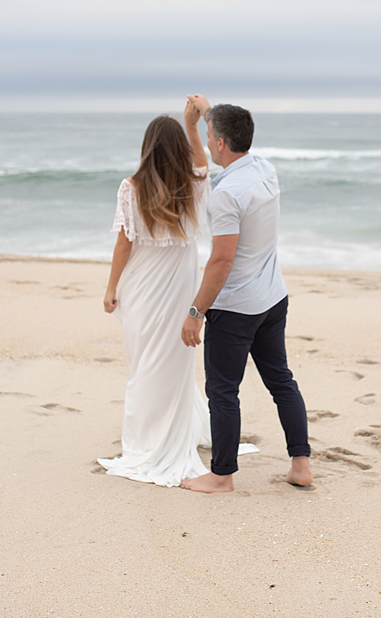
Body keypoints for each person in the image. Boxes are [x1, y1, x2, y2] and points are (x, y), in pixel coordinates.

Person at [179, 101, 313, 493]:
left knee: (222, 391)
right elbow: (226, 130)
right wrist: (203, 115)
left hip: (235, 308)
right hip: (272, 298)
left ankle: (221, 477)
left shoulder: (227, 194)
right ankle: (300, 465)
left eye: (209, 137)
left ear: (220, 143)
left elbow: (221, 261)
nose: (207, 142)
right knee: (281, 381)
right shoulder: (264, 170)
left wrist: (195, 312)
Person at [98, 99, 213, 487]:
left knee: (145, 360)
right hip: (181, 283)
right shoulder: (194, 185)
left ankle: (145, 439)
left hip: (143, 285)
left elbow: (123, 245)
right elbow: (202, 162)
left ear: (146, 147)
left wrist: (112, 288)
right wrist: (192, 124)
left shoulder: (131, 188)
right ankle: (167, 431)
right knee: (174, 360)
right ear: (178, 147)